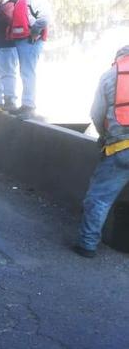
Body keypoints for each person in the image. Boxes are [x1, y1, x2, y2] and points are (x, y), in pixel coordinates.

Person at [75, 45, 129, 258]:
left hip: (121, 147)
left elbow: (97, 113)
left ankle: (87, 245)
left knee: (99, 199)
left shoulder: (111, 75)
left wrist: (103, 135)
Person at [8, 0, 53, 119]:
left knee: (28, 73)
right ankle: (26, 104)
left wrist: (35, 32)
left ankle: (29, 105)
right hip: (25, 40)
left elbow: (45, 18)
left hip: (30, 40)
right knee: (25, 72)